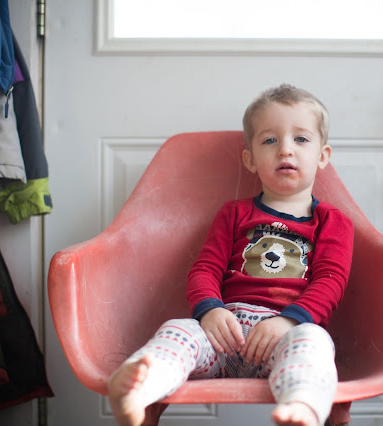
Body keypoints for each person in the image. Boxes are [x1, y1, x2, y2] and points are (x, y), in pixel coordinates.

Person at [107, 84, 354, 426]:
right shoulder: (234, 213)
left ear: (322, 156)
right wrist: (210, 310)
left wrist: (289, 321)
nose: (285, 149)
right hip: (224, 335)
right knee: (178, 330)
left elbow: (331, 282)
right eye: (270, 140)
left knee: (314, 341)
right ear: (250, 160)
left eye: (300, 139)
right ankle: (140, 388)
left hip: (287, 335)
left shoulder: (332, 222)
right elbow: (205, 270)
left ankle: (303, 406)